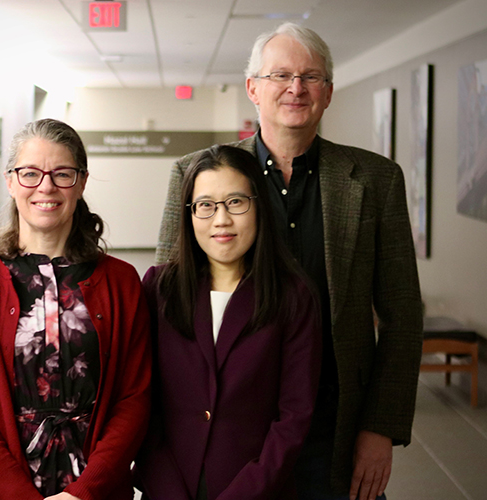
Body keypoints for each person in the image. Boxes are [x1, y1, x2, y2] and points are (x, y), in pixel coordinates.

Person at [155, 22, 423, 500]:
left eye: (311, 77)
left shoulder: (377, 180)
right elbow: (170, 309)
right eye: (280, 75)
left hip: (336, 426)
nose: (296, 88)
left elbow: (403, 314)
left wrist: (381, 428)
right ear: (253, 89)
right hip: (231, 432)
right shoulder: (198, 174)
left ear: (329, 92)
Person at [0, 118, 151, 500]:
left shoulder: (121, 281)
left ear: (81, 182)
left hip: (92, 490)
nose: (46, 187)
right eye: (30, 173)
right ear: (10, 181)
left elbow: (134, 399)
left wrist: (84, 492)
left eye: (62, 174)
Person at [135, 145, 322, 499]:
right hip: (169, 489)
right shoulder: (159, 289)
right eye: (206, 205)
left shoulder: (293, 296)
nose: (221, 220)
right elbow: (142, 403)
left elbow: (294, 417)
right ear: (189, 214)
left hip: (257, 491)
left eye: (236, 202)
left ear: (259, 206)